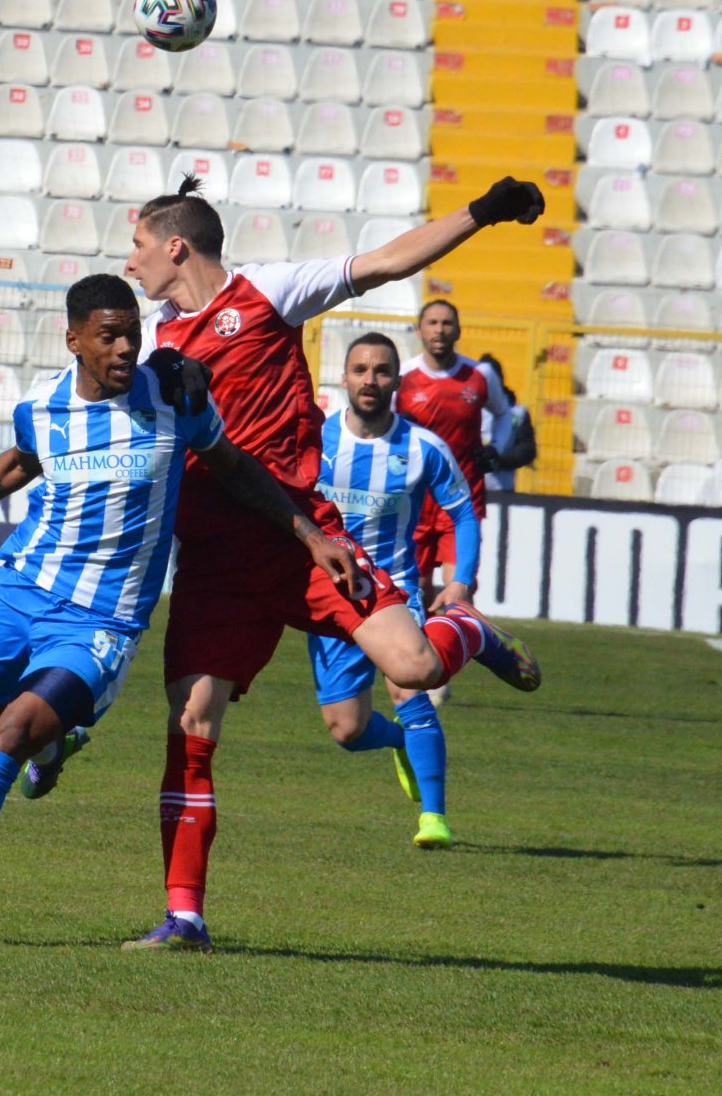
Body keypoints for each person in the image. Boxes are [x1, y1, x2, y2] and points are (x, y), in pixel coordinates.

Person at [78, 172, 545, 954]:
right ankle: (185, 916)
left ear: (176, 245)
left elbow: (389, 262)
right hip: (217, 563)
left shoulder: (269, 291)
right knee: (191, 722)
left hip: (308, 540)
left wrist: (486, 211)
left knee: (418, 666)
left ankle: (467, 628)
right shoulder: (150, 341)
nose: (130, 262)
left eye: (137, 246)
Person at [0, 274, 359, 937]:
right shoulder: (43, 407)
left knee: (8, 736)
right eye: (108, 335)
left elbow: (234, 466)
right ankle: (56, 744)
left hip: (100, 623)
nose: (124, 347)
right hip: (20, 591)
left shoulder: (174, 399)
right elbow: (17, 463)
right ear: (74, 340)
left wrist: (311, 534)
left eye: (132, 333)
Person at [308, 332, 482, 851]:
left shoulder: (424, 447)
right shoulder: (315, 439)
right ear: (344, 377)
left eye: (381, 370)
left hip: (396, 590)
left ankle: (435, 816)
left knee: (409, 687)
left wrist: (460, 580)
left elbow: (463, 512)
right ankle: (402, 742)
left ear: (396, 381)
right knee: (346, 730)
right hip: (331, 596)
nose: (370, 379)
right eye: (360, 369)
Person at [397, 300, 512, 610]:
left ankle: (449, 655)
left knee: (459, 593)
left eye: (447, 323)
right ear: (419, 330)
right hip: (415, 499)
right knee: (412, 593)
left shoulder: (480, 374)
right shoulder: (402, 376)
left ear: (458, 330)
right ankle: (414, 657)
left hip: (461, 497)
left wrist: (495, 449)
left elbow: (503, 414)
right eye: (432, 323)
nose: (440, 330)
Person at [477, 352, 538, 493]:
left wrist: (499, 461)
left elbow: (527, 449)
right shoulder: (465, 408)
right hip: (467, 491)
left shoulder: (517, 413)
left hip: (502, 490)